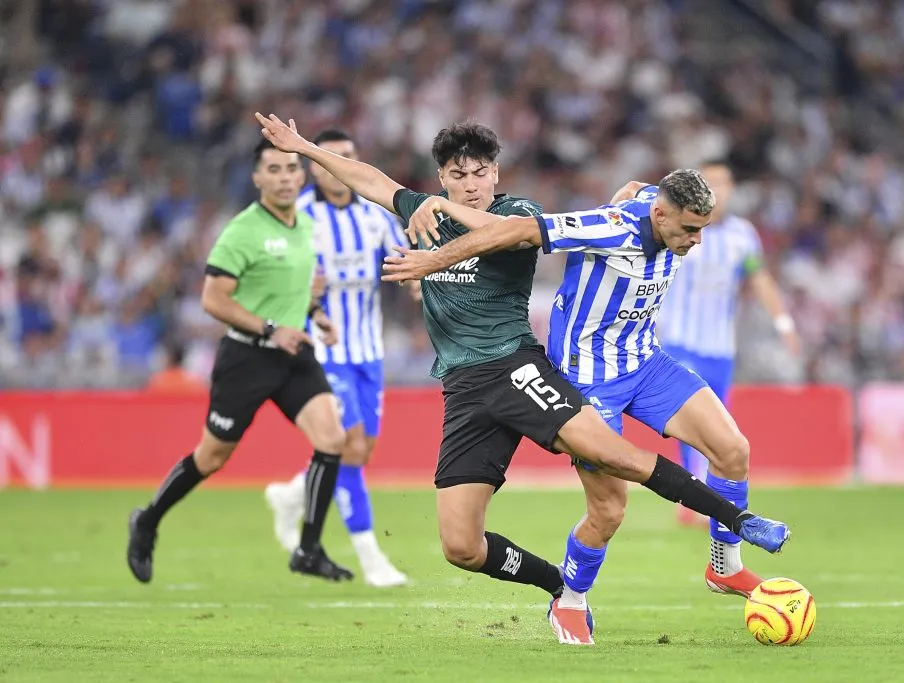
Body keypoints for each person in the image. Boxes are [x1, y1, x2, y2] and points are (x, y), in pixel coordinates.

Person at [256, 113, 789, 647]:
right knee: (461, 545)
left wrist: (432, 256)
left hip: (519, 367)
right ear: (442, 176)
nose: (472, 184)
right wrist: (303, 145)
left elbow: (508, 236)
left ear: (495, 174)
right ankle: (560, 586)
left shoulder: (517, 212)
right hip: (464, 390)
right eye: (459, 175)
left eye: (482, 172)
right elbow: (369, 179)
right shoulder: (422, 213)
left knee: (632, 462)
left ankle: (734, 528)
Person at [379, 169, 792, 638]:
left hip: (645, 362)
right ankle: (570, 599)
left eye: (703, 228)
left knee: (733, 450)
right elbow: (517, 231)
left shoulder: (659, 202)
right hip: (590, 378)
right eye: (690, 230)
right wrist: (432, 262)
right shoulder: (608, 228)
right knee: (609, 511)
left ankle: (724, 566)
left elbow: (638, 187)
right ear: (661, 216)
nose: (697, 241)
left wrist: (628, 190)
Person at [126, 138, 352, 585]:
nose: (285, 177)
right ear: (257, 179)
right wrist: (270, 328)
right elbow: (213, 299)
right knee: (211, 458)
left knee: (332, 438)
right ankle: (148, 520)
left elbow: (292, 292)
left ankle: (308, 549)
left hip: (293, 353)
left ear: (301, 176)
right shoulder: (242, 231)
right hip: (246, 357)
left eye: (291, 169)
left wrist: (317, 315)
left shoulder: (306, 226)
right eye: (275, 170)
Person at [264, 128, 410, 588]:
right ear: (315, 166)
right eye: (331, 158)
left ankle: (293, 494)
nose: (340, 166)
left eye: (348, 156)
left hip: (369, 349)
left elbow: (405, 263)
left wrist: (419, 285)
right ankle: (370, 557)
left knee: (360, 450)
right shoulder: (298, 216)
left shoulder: (375, 215)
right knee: (348, 445)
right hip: (321, 351)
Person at [657, 161, 800, 526]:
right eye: (711, 183)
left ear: (733, 189)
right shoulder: (678, 225)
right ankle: (693, 497)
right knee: (689, 420)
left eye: (724, 183)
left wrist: (783, 322)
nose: (718, 190)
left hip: (721, 347)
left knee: (719, 425)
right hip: (680, 342)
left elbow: (760, 279)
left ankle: (704, 493)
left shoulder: (743, 236)